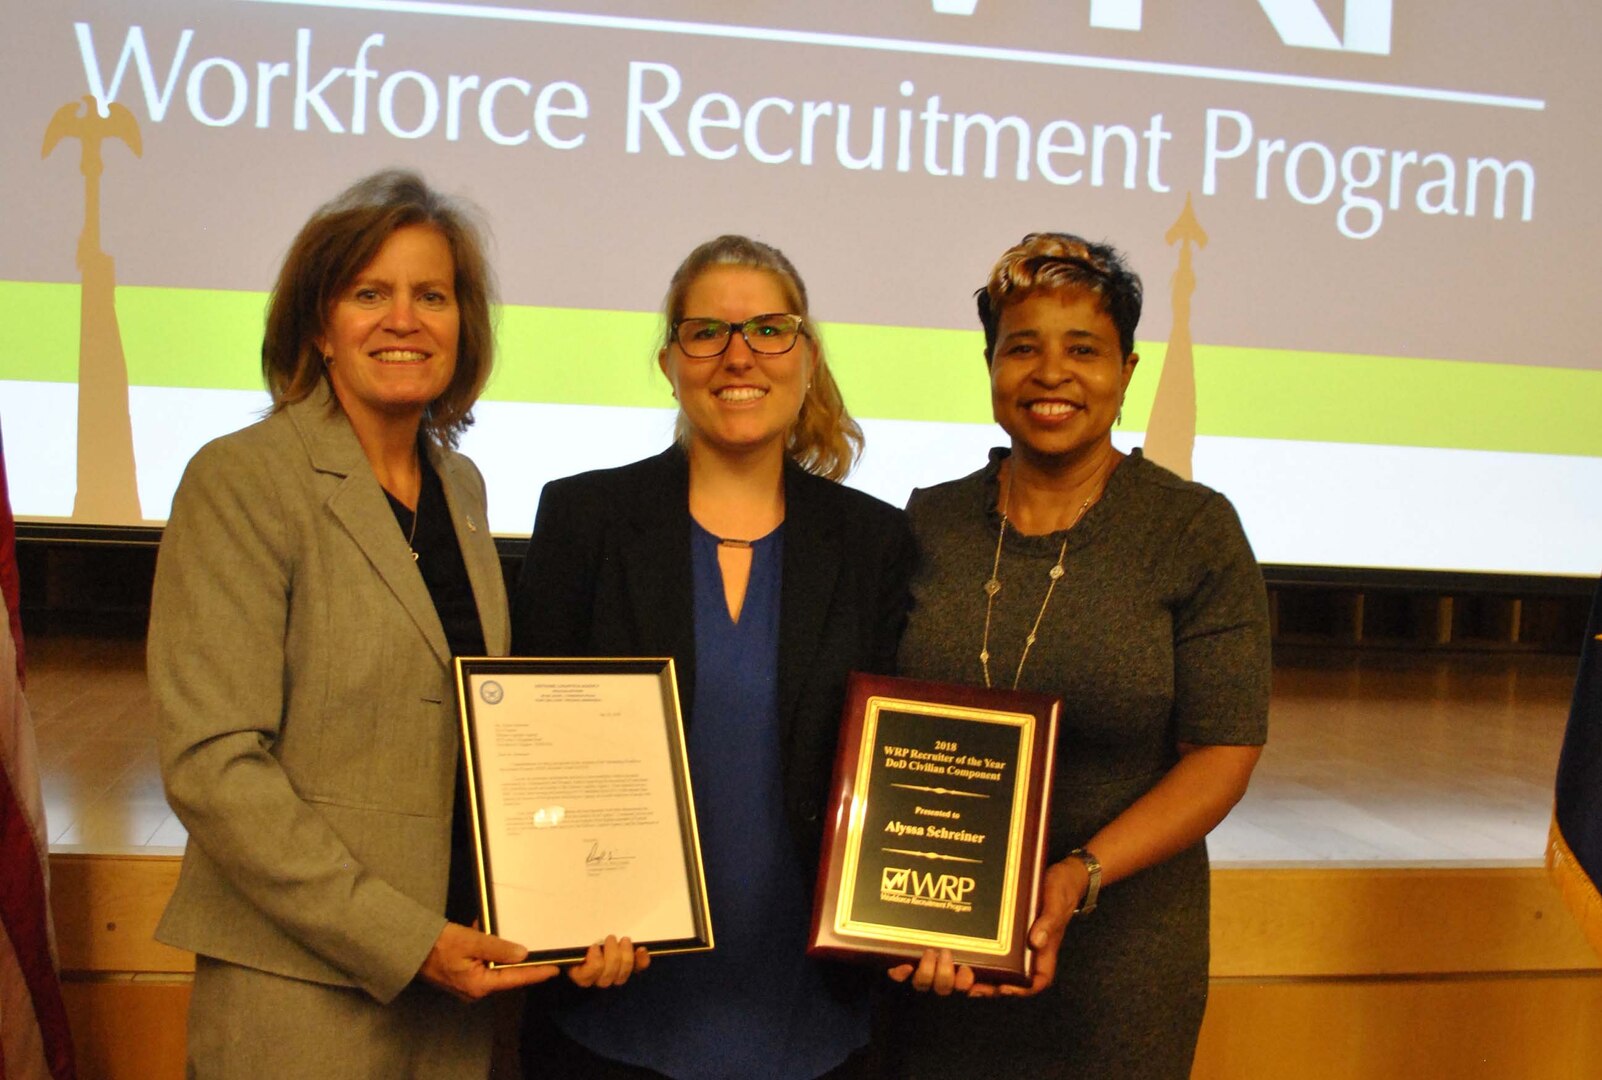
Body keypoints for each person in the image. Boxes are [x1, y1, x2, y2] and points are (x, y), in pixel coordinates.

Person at [149, 170, 628, 1079]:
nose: (403, 320)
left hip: (454, 988)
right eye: (370, 293)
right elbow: (213, 765)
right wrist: (403, 939)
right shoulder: (244, 479)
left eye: (432, 296)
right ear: (319, 326)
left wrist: (593, 898)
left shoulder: (463, 489)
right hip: (301, 994)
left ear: (463, 327)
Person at [512, 235, 916, 1080]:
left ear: (805, 357)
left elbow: (899, 770)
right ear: (669, 360)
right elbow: (531, 761)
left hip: (810, 1011)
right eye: (707, 332)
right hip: (614, 1005)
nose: (739, 355)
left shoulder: (875, 541)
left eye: (770, 329)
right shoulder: (584, 519)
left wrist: (927, 923)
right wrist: (555, 922)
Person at [882, 232, 1270, 1079]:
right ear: (989, 366)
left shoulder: (1192, 531)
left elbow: (1225, 753)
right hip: (933, 943)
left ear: (1128, 371)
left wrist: (1075, 877)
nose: (1050, 373)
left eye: (1083, 350)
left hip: (1123, 958)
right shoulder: (927, 524)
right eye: (1022, 347)